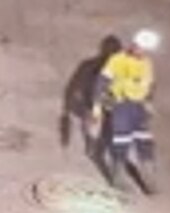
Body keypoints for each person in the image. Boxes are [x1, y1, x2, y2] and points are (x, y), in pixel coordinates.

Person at [92, 29, 160, 194]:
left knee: (145, 142)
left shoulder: (147, 63)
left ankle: (149, 182)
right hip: (121, 105)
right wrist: (97, 107)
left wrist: (149, 102)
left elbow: (149, 84)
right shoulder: (117, 60)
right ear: (134, 45)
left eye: (146, 50)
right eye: (140, 49)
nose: (142, 53)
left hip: (139, 107)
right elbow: (101, 82)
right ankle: (118, 179)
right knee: (121, 142)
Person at [60, 35, 122, 174]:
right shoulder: (90, 65)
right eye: (110, 48)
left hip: (114, 110)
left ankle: (113, 173)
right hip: (93, 108)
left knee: (113, 143)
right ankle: (99, 164)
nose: (112, 52)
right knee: (95, 144)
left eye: (115, 49)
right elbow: (75, 87)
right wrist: (72, 108)